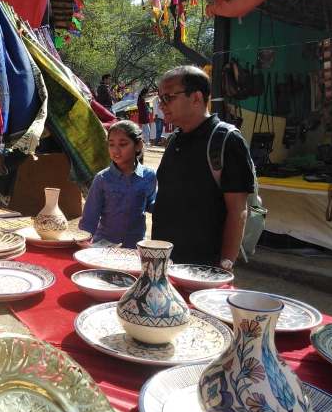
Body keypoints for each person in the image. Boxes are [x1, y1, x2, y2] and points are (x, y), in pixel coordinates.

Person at [152, 66, 255, 269]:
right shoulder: (174, 140)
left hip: (203, 269)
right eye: (160, 98)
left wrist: (224, 267)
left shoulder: (227, 141)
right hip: (165, 264)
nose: (161, 105)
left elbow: (238, 211)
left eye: (168, 98)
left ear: (196, 98)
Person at [79, 120, 157, 248]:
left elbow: (151, 204)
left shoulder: (149, 176)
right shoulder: (102, 179)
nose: (116, 150)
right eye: (111, 144)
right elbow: (89, 217)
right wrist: (84, 243)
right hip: (104, 247)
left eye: (123, 144)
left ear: (138, 145)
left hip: (134, 249)